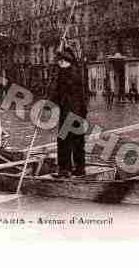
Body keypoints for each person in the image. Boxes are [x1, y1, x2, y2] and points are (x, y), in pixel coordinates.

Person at [50, 46, 88, 178]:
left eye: (59, 62)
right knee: (78, 141)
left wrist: (49, 103)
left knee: (63, 141)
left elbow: (58, 94)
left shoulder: (65, 75)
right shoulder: (77, 72)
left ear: (64, 61)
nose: (58, 64)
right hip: (80, 114)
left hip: (68, 113)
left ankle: (64, 169)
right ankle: (80, 169)